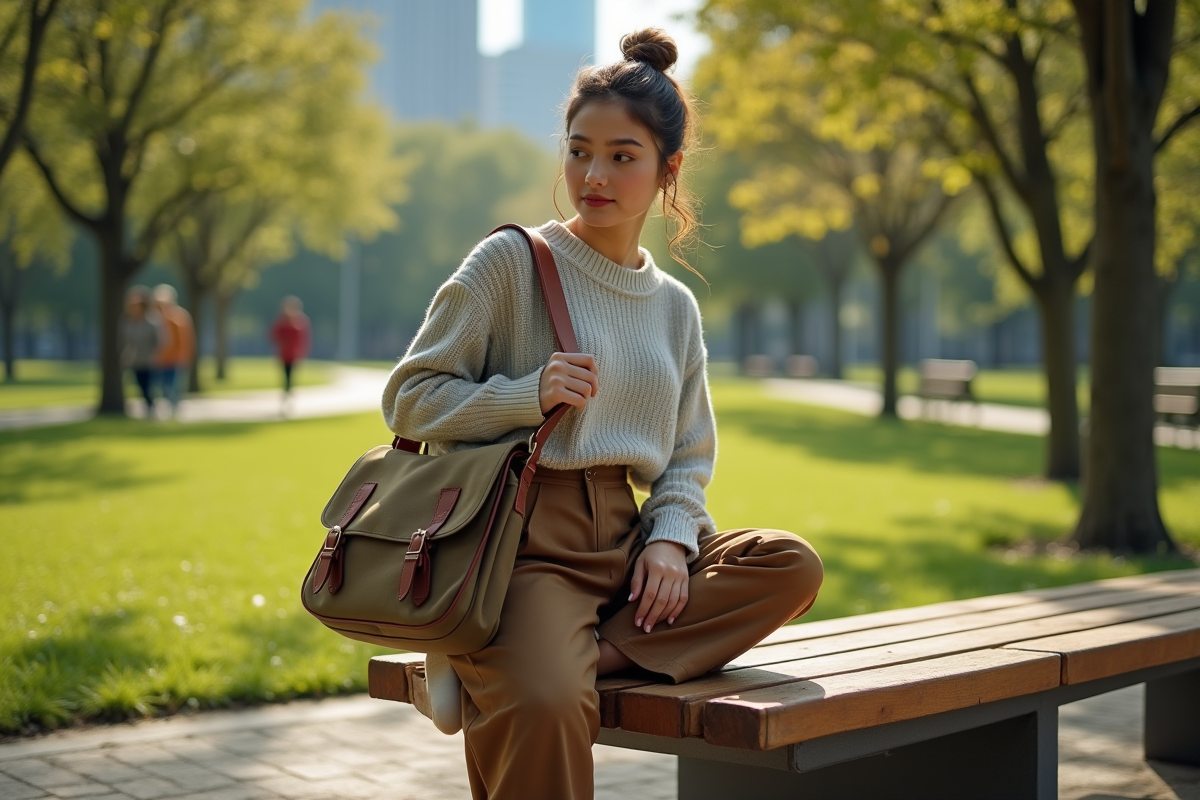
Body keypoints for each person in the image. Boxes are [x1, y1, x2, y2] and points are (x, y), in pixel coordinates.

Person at [381, 29, 823, 800]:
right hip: (525, 544)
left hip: (631, 544)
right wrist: (528, 394)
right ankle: (530, 656)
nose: (594, 174)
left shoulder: (675, 307)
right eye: (580, 150)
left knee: (788, 564)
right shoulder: (511, 264)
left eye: (623, 155)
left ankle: (532, 655)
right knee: (549, 704)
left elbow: (688, 455)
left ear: (667, 170)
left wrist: (671, 540)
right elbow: (411, 397)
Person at [152, 284, 195, 418]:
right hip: (160, 359)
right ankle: (168, 410)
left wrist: (185, 356)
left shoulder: (178, 317)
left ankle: (174, 411)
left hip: (176, 359)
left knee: (173, 386)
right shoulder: (156, 318)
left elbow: (185, 339)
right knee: (162, 387)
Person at [120, 285, 159, 415]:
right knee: (141, 385)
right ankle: (149, 406)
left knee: (149, 385)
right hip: (135, 360)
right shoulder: (127, 323)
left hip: (150, 361)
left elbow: (159, 341)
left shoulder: (152, 322)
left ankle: (151, 407)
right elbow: (125, 342)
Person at [269, 296, 311, 404]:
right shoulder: (282, 322)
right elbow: (274, 336)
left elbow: (302, 340)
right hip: (284, 354)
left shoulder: (300, 322)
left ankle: (288, 392)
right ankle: (287, 392)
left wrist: (302, 353)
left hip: (294, 354)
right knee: (286, 375)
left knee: (291, 375)